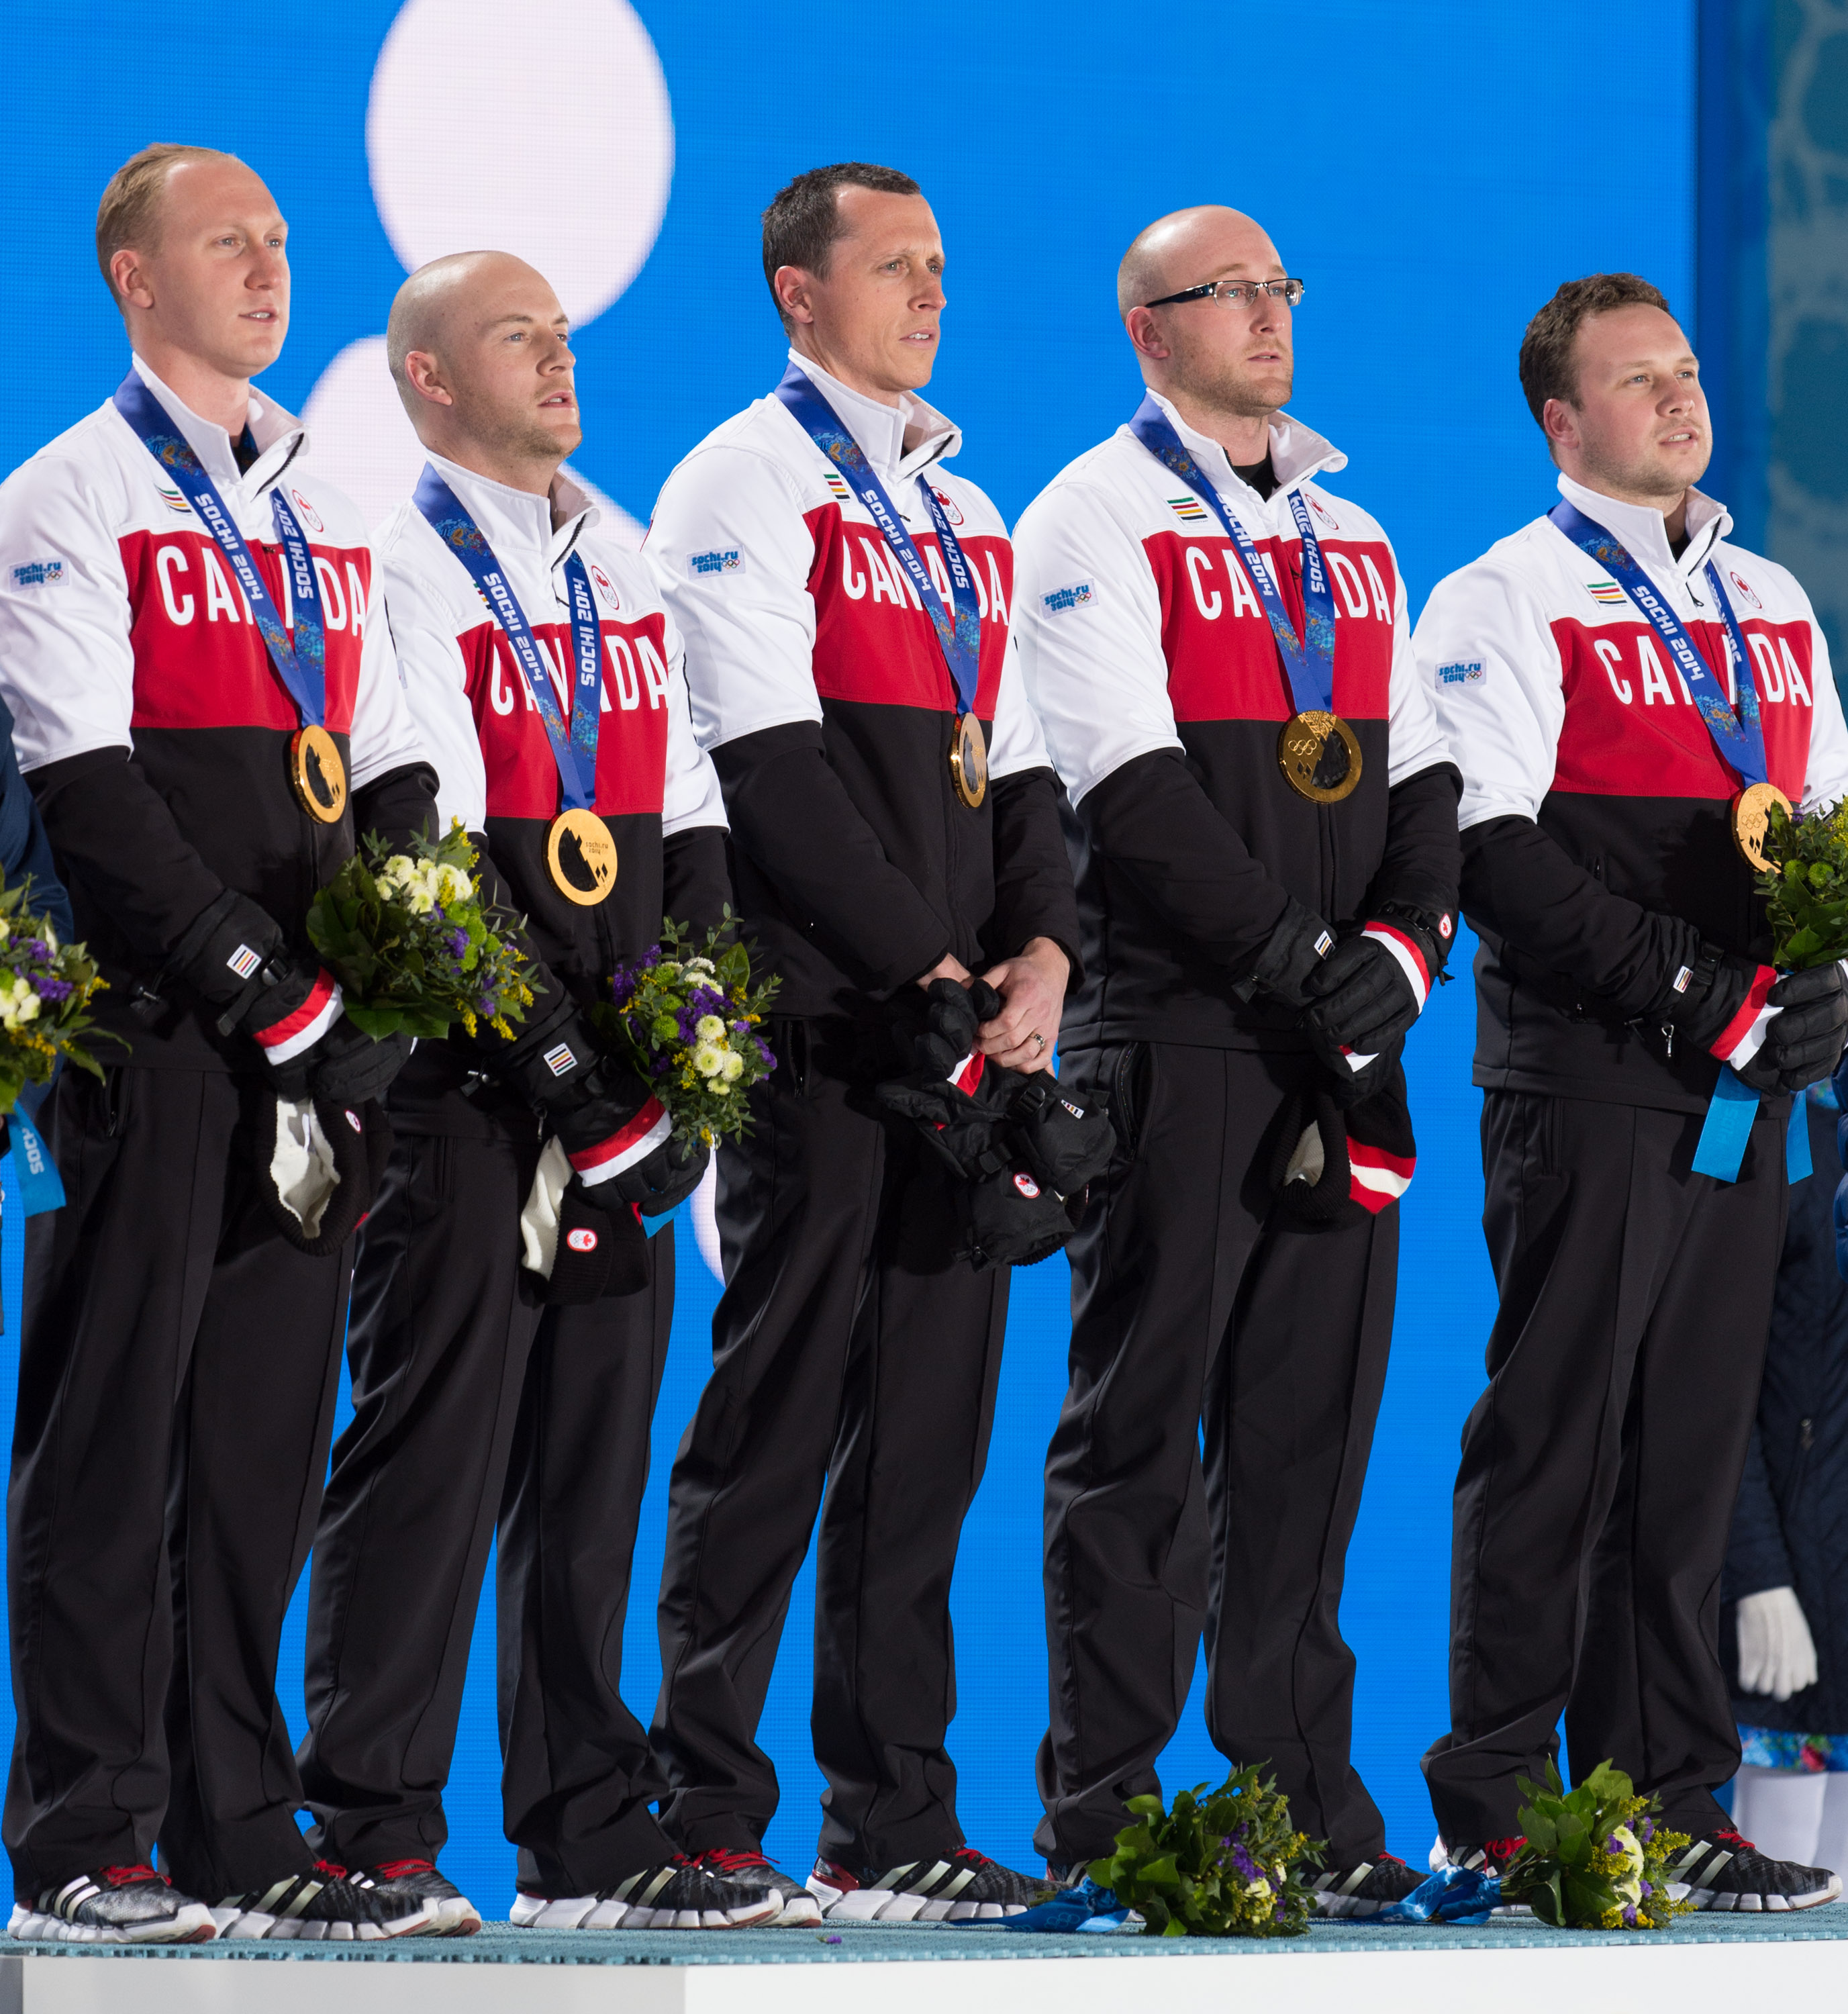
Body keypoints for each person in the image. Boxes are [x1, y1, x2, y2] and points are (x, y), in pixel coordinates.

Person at [292, 252, 777, 1935]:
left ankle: (583, 1832)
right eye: (520, 338)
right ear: (430, 379)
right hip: (469, 1091)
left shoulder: (620, 553)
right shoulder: (393, 561)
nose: (561, 359)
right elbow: (420, 836)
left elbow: (693, 811)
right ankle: (368, 1822)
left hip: (629, 1093)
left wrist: (692, 1028)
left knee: (591, 1462)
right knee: (430, 1448)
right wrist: (571, 1082)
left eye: (564, 333)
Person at [0, 144, 440, 1944]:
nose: (267, 267)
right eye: (224, 242)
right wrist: (267, 979)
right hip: (151, 1039)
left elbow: (398, 758)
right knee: (110, 1446)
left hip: (316, 1053)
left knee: (260, 1446)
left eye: (276, 241)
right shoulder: (68, 494)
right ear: (131, 275)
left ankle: (237, 1833)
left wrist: (403, 960)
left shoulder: (333, 502)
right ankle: (82, 1839)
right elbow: (84, 786)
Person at [1010, 205, 1460, 1915]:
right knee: (1136, 1438)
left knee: (1308, 1440)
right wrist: (1301, 971)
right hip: (1180, 1039)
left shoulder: (1352, 534)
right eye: (1231, 293)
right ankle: (1107, 1813)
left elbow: (1426, 788)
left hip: (1341, 1047)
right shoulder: (1090, 514)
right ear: (1148, 327)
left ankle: (1308, 1801)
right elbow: (1129, 793)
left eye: (1283, 287)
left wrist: (1396, 967)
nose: (1270, 315)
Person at [644, 162, 1080, 1924]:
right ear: (796, 294)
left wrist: (1047, 946)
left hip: (964, 1051)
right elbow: (772, 777)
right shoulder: (739, 484)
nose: (931, 292)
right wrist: (932, 971)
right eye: (895, 266)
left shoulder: (966, 515)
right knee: (775, 1429)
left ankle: (889, 1816)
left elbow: (1026, 764)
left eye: (942, 264)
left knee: (928, 1448)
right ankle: (702, 1814)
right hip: (830, 1039)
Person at [1416, 271, 1848, 1910]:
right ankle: (1503, 1801)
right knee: (1555, 1436)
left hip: (1743, 1092)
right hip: (1593, 1077)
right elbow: (1491, 849)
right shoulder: (1502, 600)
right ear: (1560, 421)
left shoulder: (1775, 602)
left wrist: (1817, 993)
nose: (1678, 397)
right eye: (1636, 380)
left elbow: (1824, 833)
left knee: (1688, 1446)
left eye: (1683, 370)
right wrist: (1693, 989)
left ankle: (1671, 1787)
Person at [1720, 1076, 1848, 1875]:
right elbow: (1699, 1374)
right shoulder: (1745, 1117)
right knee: (1767, 1912)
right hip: (1786, 1604)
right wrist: (1754, 1572)